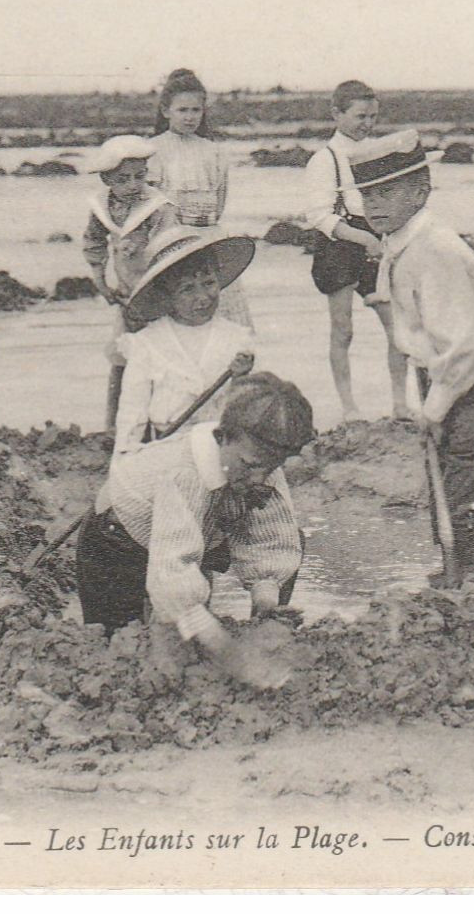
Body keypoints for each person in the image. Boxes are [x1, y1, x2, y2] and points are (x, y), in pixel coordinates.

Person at [75, 372, 314, 689]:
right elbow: (173, 570)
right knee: (122, 645)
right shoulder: (183, 473)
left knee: (290, 539)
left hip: (198, 527)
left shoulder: (255, 462)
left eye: (270, 467)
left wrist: (265, 605)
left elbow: (272, 538)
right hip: (117, 542)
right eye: (250, 464)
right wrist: (229, 652)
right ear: (223, 437)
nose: (259, 478)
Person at [356, 137, 474, 585]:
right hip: (450, 373)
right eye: (366, 195)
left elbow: (463, 343)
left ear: (421, 189)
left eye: (386, 192)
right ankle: (457, 571)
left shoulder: (435, 249)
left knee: (466, 483)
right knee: (447, 480)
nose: (374, 205)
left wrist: (434, 407)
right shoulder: (399, 242)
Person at [302, 82, 410, 421]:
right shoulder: (324, 159)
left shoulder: (379, 152)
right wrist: (364, 240)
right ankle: (349, 408)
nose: (367, 124)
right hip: (339, 245)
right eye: (360, 116)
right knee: (343, 329)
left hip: (377, 241)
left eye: (373, 116)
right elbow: (319, 216)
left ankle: (400, 404)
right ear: (337, 114)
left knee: (398, 329)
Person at [114, 227, 257, 457]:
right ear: (166, 296)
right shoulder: (147, 343)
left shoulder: (237, 338)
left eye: (209, 283)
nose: (202, 297)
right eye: (187, 289)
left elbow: (248, 408)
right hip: (167, 448)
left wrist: (241, 377)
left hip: (223, 450)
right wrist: (124, 456)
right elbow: (132, 412)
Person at [80, 134, 182, 429]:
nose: (134, 185)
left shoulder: (158, 206)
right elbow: (94, 240)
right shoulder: (102, 207)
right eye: (124, 179)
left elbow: (172, 247)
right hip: (126, 295)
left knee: (161, 356)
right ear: (107, 179)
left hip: (159, 293)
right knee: (122, 358)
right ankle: (113, 424)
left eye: (140, 176)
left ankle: (162, 420)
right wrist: (100, 278)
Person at [146, 69, 252, 329]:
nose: (190, 117)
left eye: (196, 110)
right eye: (182, 110)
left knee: (221, 307)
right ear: (165, 111)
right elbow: (148, 203)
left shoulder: (213, 151)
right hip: (170, 242)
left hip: (209, 238)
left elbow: (220, 201)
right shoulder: (152, 149)